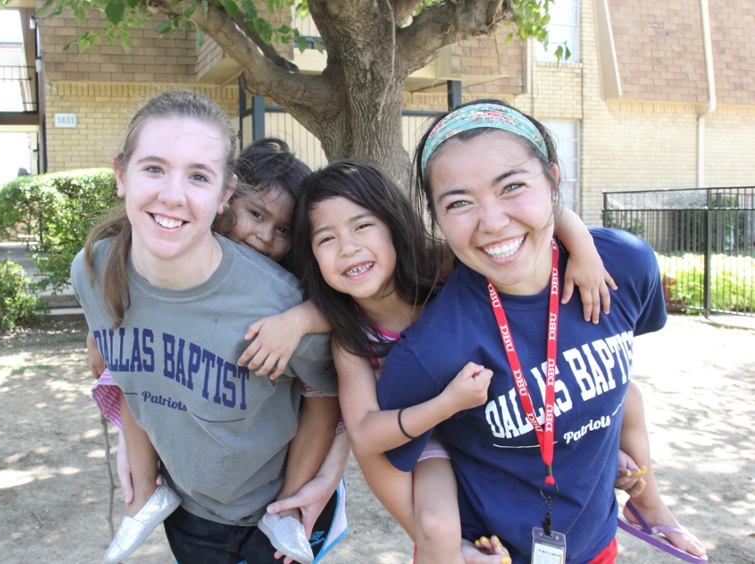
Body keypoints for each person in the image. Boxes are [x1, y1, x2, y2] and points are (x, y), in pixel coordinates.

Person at [376, 99, 707, 563]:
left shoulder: (624, 267)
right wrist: (445, 544)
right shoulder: (431, 350)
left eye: (512, 186)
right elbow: (382, 448)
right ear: (435, 216)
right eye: (458, 203)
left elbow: (617, 389)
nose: (492, 223)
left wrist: (650, 502)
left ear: (553, 179)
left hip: (596, 545)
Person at [287, 160, 619, 563]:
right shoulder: (351, 338)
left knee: (626, 396)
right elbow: (366, 436)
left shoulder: (439, 268)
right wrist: (447, 403)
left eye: (362, 226)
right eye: (326, 239)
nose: (349, 247)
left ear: (395, 225)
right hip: (430, 434)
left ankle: (648, 503)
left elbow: (548, 212)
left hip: (498, 416)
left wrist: (583, 250)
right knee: (436, 529)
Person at [71, 91, 344, 564]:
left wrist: (301, 497)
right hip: (189, 508)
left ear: (222, 193)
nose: (173, 195)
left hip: (274, 508)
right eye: (154, 168)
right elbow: (122, 364)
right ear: (121, 174)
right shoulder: (95, 269)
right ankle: (141, 505)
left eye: (197, 175)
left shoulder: (280, 296)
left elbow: (335, 380)